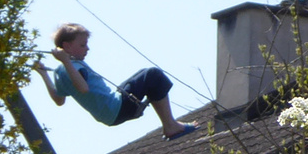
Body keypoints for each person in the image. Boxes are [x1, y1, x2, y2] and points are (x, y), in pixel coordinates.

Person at [31, 23, 197, 140]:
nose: (87, 49)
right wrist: (66, 62)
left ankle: (170, 125)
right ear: (67, 47)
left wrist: (43, 74)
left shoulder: (60, 72)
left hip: (111, 112)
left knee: (143, 74)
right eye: (82, 45)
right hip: (116, 108)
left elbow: (59, 99)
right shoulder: (71, 67)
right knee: (153, 74)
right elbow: (83, 88)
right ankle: (170, 126)